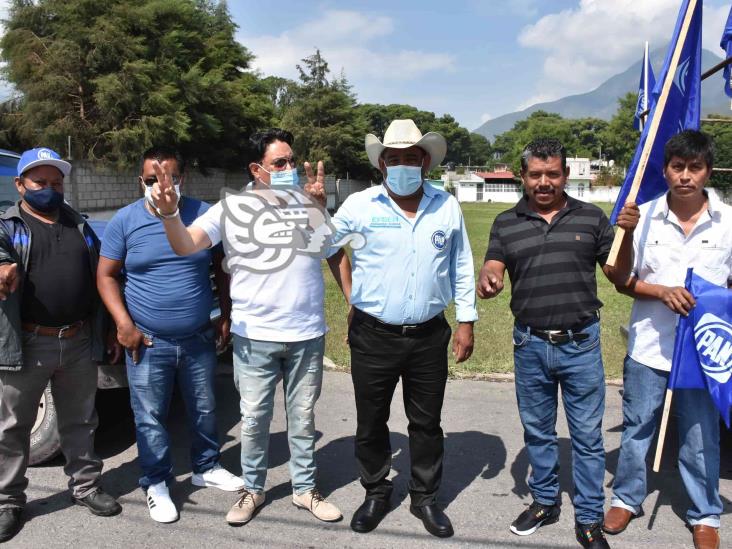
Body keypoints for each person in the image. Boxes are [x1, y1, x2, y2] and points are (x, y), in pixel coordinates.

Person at [148, 129, 343, 526]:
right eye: (280, 163)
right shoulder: (231, 209)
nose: (290, 168)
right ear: (257, 169)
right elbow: (187, 245)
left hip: (306, 332)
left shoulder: (309, 203)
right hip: (254, 335)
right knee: (254, 418)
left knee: (303, 416)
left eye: (292, 160)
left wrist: (320, 210)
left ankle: (305, 490)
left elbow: (332, 251)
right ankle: (253, 489)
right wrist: (170, 215)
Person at [477, 138, 638, 549]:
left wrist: (628, 235)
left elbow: (618, 275)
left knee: (586, 437)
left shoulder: (591, 218)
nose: (544, 182)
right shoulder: (506, 222)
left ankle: (588, 518)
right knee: (538, 432)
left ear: (566, 175)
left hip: (581, 345)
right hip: (530, 345)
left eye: (553, 174)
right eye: (536, 174)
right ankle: (545, 501)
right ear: (524, 176)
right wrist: (489, 279)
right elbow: (493, 265)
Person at [327, 119, 478, 538]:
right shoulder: (360, 206)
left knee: (426, 424)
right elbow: (324, 245)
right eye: (394, 159)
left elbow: (461, 265)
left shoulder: (446, 205)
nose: (403, 166)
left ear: (425, 162)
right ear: (382, 166)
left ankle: (425, 499)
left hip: (430, 334)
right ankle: (376, 491)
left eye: (411, 158)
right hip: (373, 334)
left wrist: (466, 320)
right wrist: (314, 208)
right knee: (371, 420)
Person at [96, 146, 243, 523]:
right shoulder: (125, 221)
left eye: (170, 177)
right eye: (151, 179)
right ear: (140, 182)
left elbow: (222, 269)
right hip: (148, 340)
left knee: (205, 408)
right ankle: (156, 481)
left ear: (183, 177)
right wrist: (123, 324)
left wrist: (225, 314)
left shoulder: (202, 214)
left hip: (197, 337)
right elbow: (106, 275)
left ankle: (206, 467)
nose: (161, 185)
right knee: (149, 417)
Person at [603, 130, 729, 549]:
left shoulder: (728, 221)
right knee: (639, 425)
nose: (686, 176)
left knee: (700, 433)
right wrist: (661, 291)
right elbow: (619, 279)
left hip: (703, 352)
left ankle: (705, 513)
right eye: (678, 167)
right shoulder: (644, 216)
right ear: (665, 170)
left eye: (695, 168)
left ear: (708, 171)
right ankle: (626, 497)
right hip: (650, 346)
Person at [0, 148, 122, 543]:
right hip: (28, 342)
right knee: (13, 427)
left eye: (56, 183)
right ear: (21, 185)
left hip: (78, 337)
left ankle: (85, 486)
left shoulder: (80, 225)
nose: (50, 190)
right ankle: (8, 501)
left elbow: (98, 279)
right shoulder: (7, 225)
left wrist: (105, 329)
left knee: (81, 421)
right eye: (40, 183)